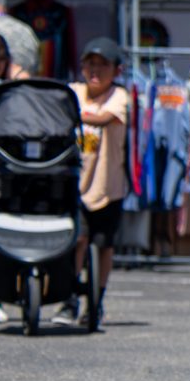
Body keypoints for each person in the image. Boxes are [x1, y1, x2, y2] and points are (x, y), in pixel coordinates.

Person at [57, 37, 130, 327]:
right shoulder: (73, 91)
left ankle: (96, 301)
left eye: (103, 64)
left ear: (116, 70)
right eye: (90, 63)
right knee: (77, 240)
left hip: (107, 187)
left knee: (103, 245)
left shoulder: (119, 96)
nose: (95, 70)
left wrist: (74, 115)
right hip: (74, 185)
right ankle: (70, 297)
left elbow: (103, 120)